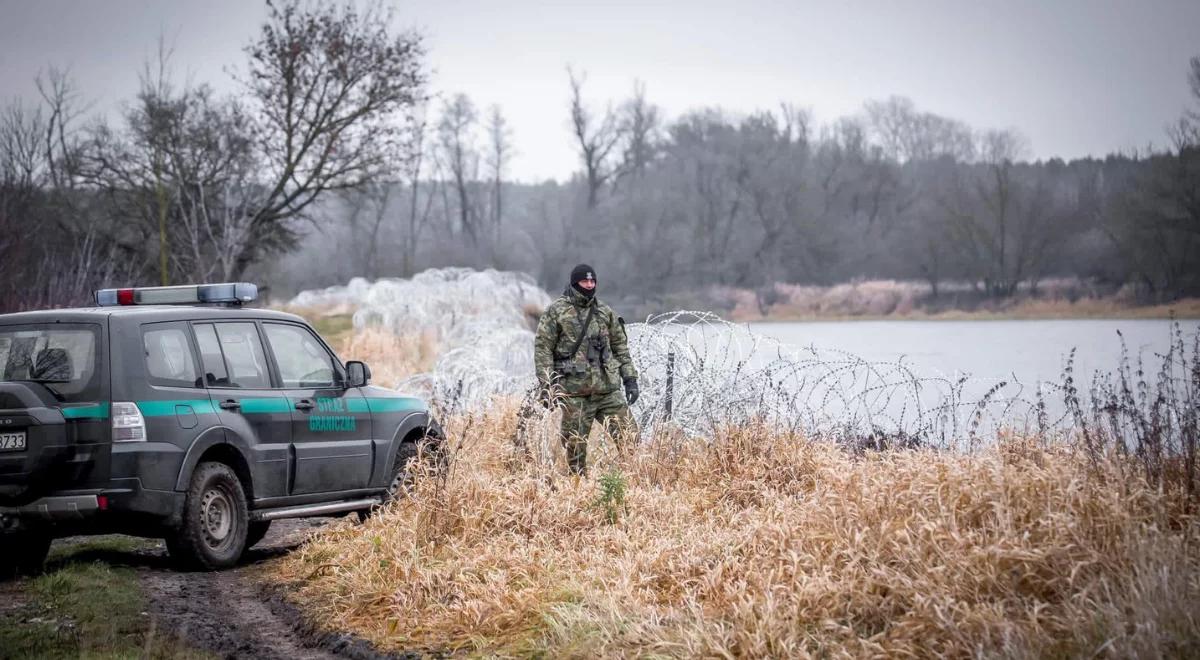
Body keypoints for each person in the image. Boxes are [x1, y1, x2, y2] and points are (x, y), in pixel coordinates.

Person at [533, 264, 639, 474]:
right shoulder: (557, 311)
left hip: (608, 390)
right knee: (575, 449)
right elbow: (543, 349)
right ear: (575, 283)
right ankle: (578, 489)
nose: (589, 285)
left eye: (592, 281)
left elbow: (620, 348)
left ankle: (633, 481)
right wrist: (547, 386)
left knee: (630, 439)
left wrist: (630, 379)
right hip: (575, 393)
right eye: (585, 281)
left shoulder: (604, 312)